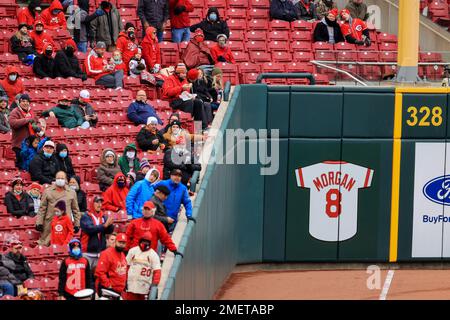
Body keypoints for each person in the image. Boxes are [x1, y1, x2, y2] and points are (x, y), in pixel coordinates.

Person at [35, 171, 81, 246]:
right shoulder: (47, 191)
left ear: (66, 179)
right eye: (58, 178)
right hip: (49, 223)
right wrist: (39, 222)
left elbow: (75, 210)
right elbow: (42, 209)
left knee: (64, 246)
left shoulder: (71, 192)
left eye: (62, 178)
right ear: (55, 179)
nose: (60, 180)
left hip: (65, 224)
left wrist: (77, 224)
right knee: (47, 245)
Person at [162, 63, 211, 130]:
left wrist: (190, 96)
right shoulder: (170, 79)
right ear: (178, 73)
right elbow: (168, 92)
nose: (185, 75)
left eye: (185, 73)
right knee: (189, 102)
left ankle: (199, 128)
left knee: (197, 102)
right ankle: (187, 125)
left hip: (182, 100)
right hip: (172, 101)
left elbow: (186, 93)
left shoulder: (184, 80)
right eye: (183, 73)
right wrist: (181, 88)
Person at [80, 196, 115, 273]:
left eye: (100, 202)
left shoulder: (103, 216)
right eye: (97, 202)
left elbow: (108, 231)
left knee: (98, 276)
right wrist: (104, 225)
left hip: (100, 253)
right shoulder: (86, 216)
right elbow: (90, 229)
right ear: (92, 203)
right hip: (87, 253)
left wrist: (110, 225)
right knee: (87, 277)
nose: (99, 204)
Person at [125, 232, 161, 300]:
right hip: (131, 285)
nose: (145, 243)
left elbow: (157, 272)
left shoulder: (153, 255)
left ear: (150, 243)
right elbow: (126, 267)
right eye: (143, 241)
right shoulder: (133, 251)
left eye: (147, 241)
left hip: (144, 288)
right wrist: (124, 280)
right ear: (140, 240)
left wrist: (154, 285)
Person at [9, 94, 39, 167]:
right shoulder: (15, 111)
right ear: (19, 102)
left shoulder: (31, 111)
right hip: (19, 145)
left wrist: (38, 127)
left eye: (27, 101)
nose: (25, 103)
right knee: (21, 166)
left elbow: (36, 121)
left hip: (30, 144)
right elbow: (12, 123)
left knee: (30, 166)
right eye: (23, 101)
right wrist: (26, 120)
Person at [95, 233, 127, 297]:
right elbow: (99, 272)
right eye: (120, 242)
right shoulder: (106, 253)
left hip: (119, 290)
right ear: (115, 241)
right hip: (108, 290)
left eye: (123, 243)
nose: (121, 244)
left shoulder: (122, 254)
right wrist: (108, 285)